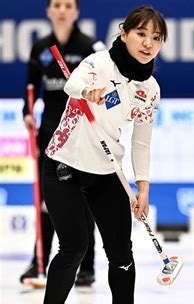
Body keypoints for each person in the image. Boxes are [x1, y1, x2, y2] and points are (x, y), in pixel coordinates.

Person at [28, 5, 166, 304]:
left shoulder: (149, 89)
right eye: (141, 34)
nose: (148, 43)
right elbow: (74, 82)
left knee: (121, 252)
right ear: (124, 33)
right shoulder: (98, 62)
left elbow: (141, 141)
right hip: (65, 165)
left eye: (156, 38)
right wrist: (86, 93)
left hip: (107, 171)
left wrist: (143, 185)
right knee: (74, 246)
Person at [20, 0, 105, 287]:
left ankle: (88, 267)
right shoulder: (40, 47)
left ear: (76, 12)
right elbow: (31, 87)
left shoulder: (91, 46)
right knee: (50, 198)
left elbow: (104, 84)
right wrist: (27, 114)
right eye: (56, 5)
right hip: (48, 130)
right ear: (48, 11)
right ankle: (38, 262)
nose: (62, 10)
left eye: (68, 5)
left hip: (80, 130)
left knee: (83, 198)